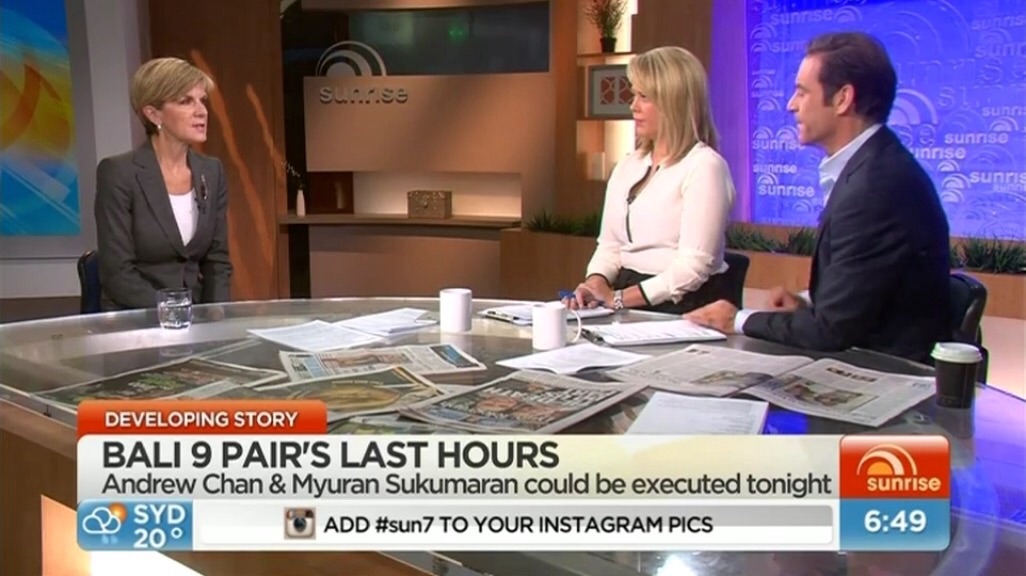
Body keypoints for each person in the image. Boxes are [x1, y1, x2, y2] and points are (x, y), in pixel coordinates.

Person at [686, 32, 951, 363]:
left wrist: (736, 320)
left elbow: (831, 331)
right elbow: (863, 294)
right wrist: (807, 304)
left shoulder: (877, 186)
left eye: (802, 92)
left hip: (886, 369)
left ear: (842, 99)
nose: (791, 105)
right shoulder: (873, 164)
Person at [564, 46, 737, 315]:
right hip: (625, 294)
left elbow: (693, 267)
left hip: (683, 304)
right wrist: (595, 283)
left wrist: (619, 298)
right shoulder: (629, 165)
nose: (633, 106)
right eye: (634, 94)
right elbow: (610, 246)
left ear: (673, 103)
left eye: (644, 97)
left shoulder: (704, 167)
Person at [95, 57, 232, 310]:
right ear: (153, 113)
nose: (202, 111)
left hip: (196, 318)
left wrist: (215, 319)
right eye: (186, 101)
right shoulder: (119, 173)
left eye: (202, 100)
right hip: (137, 317)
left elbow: (218, 262)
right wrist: (174, 314)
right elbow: (117, 274)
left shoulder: (211, 171)